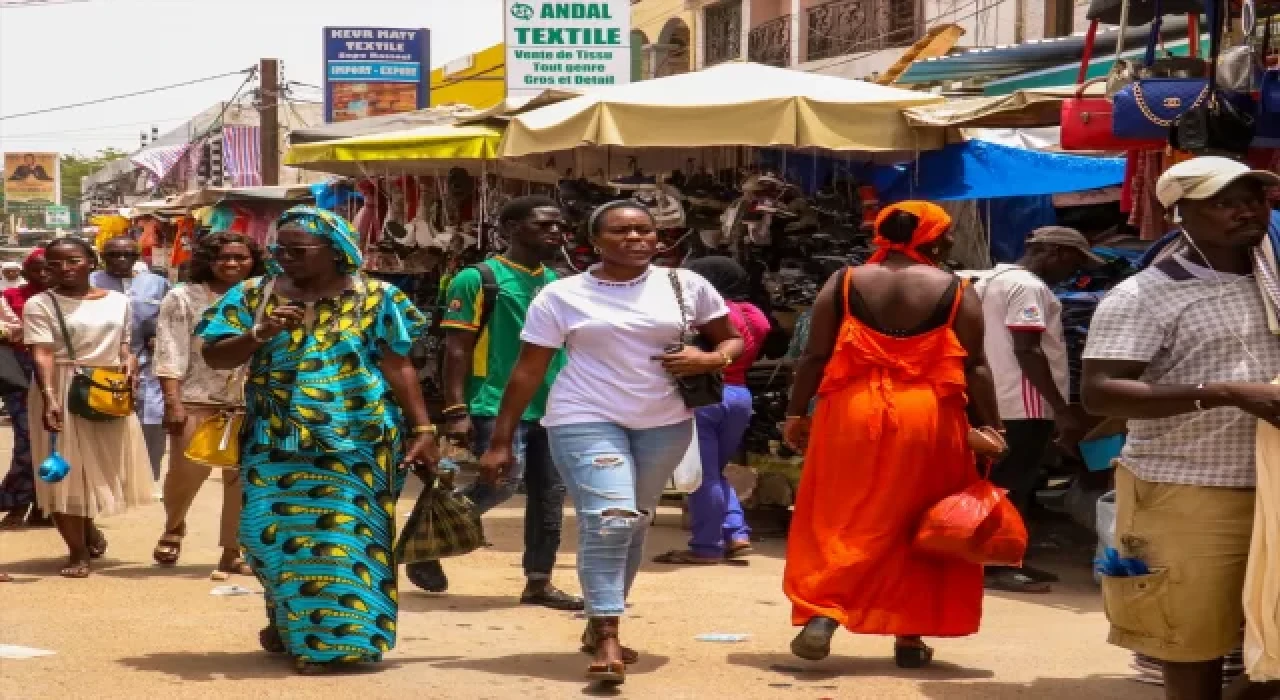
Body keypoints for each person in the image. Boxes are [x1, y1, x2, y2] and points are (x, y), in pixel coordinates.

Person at [477, 200, 744, 685]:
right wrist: (501, 440)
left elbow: (731, 339)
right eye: (622, 231)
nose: (637, 239)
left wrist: (712, 360)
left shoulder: (685, 285)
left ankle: (603, 613)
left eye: (645, 230)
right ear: (594, 242)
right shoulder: (561, 296)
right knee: (609, 520)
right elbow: (529, 368)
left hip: (664, 422)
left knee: (635, 523)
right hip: (584, 416)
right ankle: (606, 635)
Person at [198, 206, 436, 673]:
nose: (285, 258)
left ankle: (339, 643)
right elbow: (216, 356)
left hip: (359, 442)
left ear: (337, 250)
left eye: (298, 250)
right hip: (275, 440)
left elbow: (398, 364)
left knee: (349, 539)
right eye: (279, 249)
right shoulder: (253, 295)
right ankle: (290, 620)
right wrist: (259, 333)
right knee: (273, 537)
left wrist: (424, 429)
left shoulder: (378, 297)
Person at [1082, 156, 1280, 700]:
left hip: (1273, 484)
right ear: (1178, 214)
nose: (1245, 211)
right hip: (1188, 489)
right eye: (1223, 201)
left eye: (1253, 197)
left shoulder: (1272, 273)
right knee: (1191, 643)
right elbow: (1100, 392)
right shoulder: (1143, 296)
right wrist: (1224, 394)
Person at [782, 201, 1003, 668]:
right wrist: (991, 425)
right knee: (920, 521)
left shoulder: (845, 282)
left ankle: (826, 609)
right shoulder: (956, 289)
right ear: (937, 239)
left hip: (850, 413)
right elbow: (976, 365)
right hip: (930, 415)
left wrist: (795, 414)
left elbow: (814, 357)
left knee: (843, 516)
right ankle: (908, 635)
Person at [405, 196, 583, 611]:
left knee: (549, 494)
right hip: (493, 400)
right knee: (503, 481)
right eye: (543, 226)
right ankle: (428, 537)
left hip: (555, 403)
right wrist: (455, 409)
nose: (555, 233)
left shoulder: (558, 282)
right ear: (510, 229)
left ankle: (539, 581)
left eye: (559, 225)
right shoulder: (478, 279)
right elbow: (456, 349)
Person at [962, 226, 1101, 594]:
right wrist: (1061, 408)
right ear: (1054, 252)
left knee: (995, 482)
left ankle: (1007, 557)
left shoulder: (985, 279)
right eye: (1073, 260)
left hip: (990, 398)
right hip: (1023, 404)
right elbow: (1028, 349)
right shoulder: (1029, 287)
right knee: (1012, 484)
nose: (1073, 271)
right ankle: (996, 563)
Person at [25, 238, 153, 578]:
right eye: (54, 263)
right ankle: (78, 551)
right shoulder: (40, 304)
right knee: (64, 471)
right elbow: (42, 352)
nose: (64, 268)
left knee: (97, 468)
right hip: (62, 385)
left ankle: (89, 527)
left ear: (91, 262)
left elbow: (126, 343)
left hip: (106, 388)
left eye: (72, 260)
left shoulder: (120, 302)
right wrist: (50, 396)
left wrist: (130, 362)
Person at [152, 233, 265, 579]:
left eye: (240, 258)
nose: (232, 264)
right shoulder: (183, 297)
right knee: (185, 472)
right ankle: (174, 526)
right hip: (196, 397)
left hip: (250, 400)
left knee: (242, 479)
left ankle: (232, 550)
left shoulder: (265, 296)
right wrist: (172, 401)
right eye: (223, 258)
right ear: (208, 261)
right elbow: (170, 350)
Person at [653, 256, 771, 565]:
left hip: (703, 395)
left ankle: (706, 546)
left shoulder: (702, 312)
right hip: (739, 395)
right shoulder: (754, 315)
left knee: (703, 475)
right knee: (714, 471)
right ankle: (736, 533)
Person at [91, 237, 170, 482]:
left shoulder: (157, 284)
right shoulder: (91, 282)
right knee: (106, 417)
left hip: (148, 364)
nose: (121, 260)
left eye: (128, 255)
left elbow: (169, 318)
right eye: (114, 255)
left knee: (152, 418)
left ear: (138, 258)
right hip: (102, 361)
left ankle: (147, 476)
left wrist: (158, 336)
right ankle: (108, 476)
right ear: (103, 257)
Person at [0, 249, 49, 528]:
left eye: (47, 269)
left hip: (59, 373)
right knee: (27, 440)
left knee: (56, 442)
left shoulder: (66, 298)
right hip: (20, 373)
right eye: (35, 269)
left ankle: (46, 505)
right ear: (25, 271)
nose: (42, 274)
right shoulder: (11, 297)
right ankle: (17, 501)